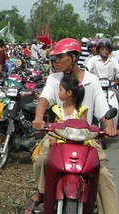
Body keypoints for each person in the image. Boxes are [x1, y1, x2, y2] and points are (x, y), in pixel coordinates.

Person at [27, 38, 118, 214]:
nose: (56, 62)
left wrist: (109, 126)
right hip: (58, 135)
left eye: (61, 57)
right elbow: (44, 99)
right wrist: (39, 118)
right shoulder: (55, 79)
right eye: (55, 59)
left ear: (74, 57)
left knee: (103, 173)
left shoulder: (92, 80)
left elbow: (103, 110)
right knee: (42, 160)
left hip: (86, 138)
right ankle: (42, 193)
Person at [26, 74, 87, 213]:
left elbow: (84, 127)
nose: (58, 93)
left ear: (69, 93)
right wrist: (52, 128)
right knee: (41, 159)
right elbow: (56, 126)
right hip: (57, 140)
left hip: (76, 142)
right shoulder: (58, 109)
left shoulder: (82, 110)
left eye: (60, 90)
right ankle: (41, 191)